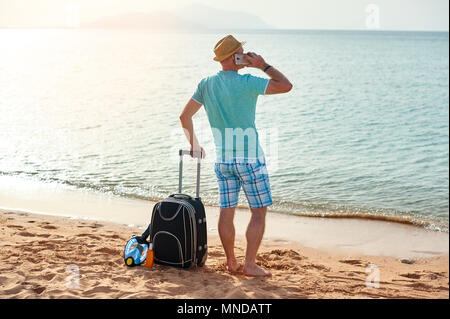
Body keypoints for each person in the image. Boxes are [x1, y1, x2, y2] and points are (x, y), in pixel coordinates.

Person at [179, 35, 292, 277]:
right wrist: (262, 65)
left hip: (224, 161)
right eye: (241, 52)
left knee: (226, 210)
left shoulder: (206, 84)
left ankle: (231, 262)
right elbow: (286, 85)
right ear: (234, 57)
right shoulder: (248, 82)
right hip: (250, 159)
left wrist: (194, 145)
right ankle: (249, 264)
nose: (245, 55)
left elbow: (184, 117)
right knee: (258, 212)